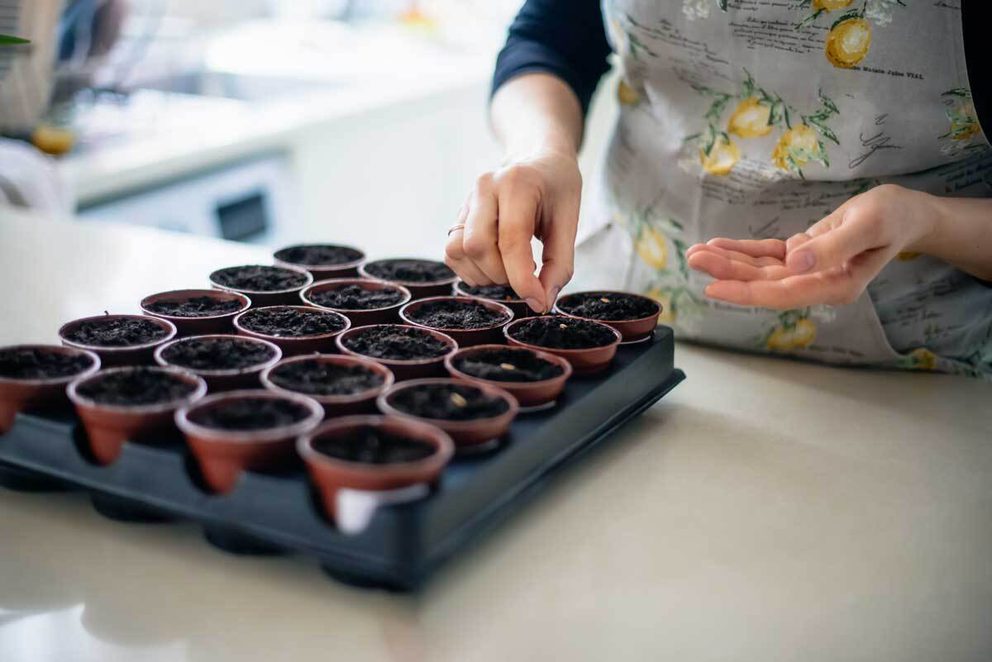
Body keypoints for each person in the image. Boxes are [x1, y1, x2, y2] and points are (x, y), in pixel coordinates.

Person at [443, 0, 992, 378]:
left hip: (912, 379)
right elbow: (550, 39)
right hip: (631, 336)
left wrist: (928, 221)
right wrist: (540, 149)